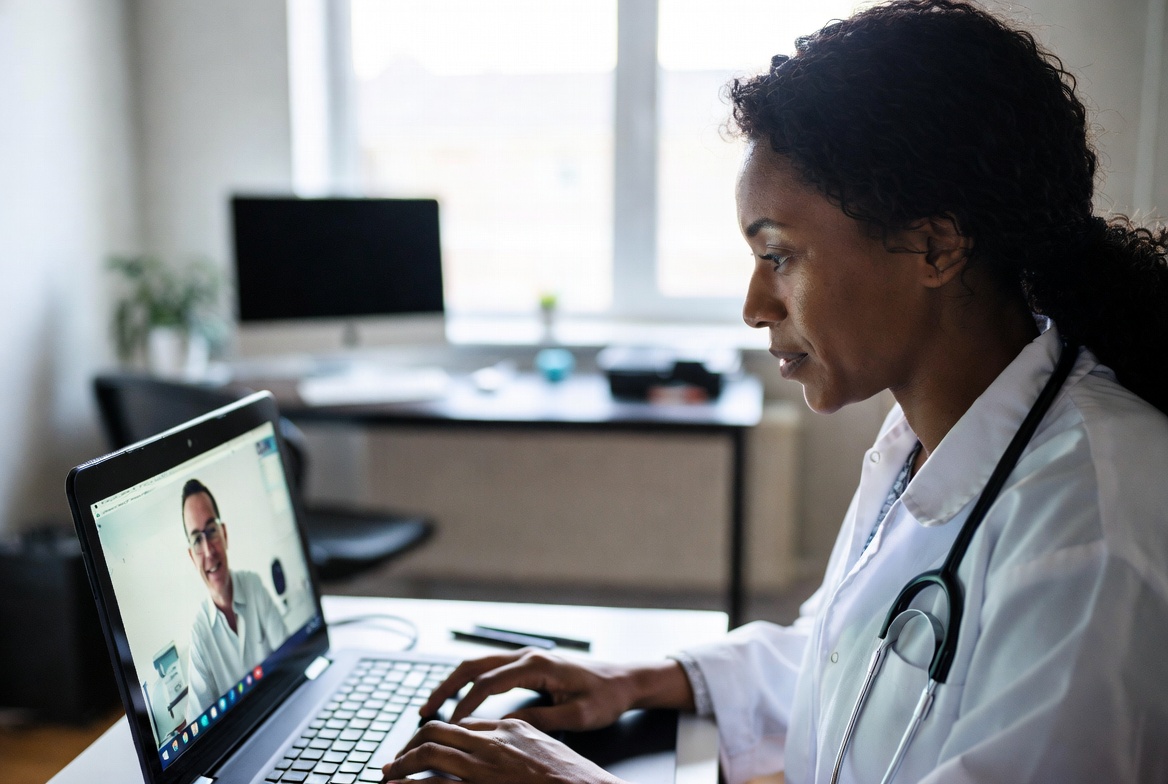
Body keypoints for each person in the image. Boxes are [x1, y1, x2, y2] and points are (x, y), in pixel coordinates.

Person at [381, 1, 1168, 782]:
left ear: (935, 246)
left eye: (779, 255)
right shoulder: (926, 439)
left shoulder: (1091, 522)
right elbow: (853, 657)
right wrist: (640, 679)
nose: (755, 306)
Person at [182, 478, 287, 721]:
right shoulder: (199, 634)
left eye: (211, 531)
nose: (209, 551)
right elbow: (198, 725)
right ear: (192, 556)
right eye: (197, 540)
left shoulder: (253, 585)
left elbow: (289, 658)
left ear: (225, 534)